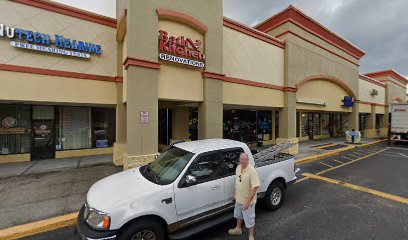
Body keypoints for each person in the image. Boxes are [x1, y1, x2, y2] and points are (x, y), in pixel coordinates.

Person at [228, 153, 260, 240]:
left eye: (245, 160)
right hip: (239, 198)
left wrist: (247, 202)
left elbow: (255, 187)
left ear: (248, 160)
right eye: (241, 159)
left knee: (249, 219)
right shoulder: (238, 167)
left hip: (248, 201)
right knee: (238, 215)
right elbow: (237, 181)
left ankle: (251, 235)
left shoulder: (252, 171)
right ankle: (238, 229)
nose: (243, 161)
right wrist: (235, 193)